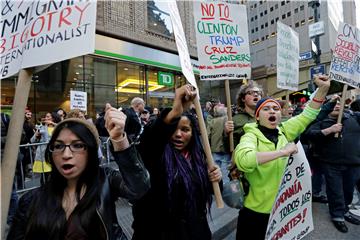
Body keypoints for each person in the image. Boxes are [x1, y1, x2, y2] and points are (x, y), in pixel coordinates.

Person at [7, 104, 150, 240]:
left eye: (77, 145)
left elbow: (139, 187)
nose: (66, 154)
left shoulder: (105, 180)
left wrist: (119, 139)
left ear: (91, 151)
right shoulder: (30, 201)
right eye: (58, 146)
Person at [233, 75, 330, 239]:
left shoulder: (284, 130)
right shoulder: (250, 136)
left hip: (283, 211)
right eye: (266, 109)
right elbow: (243, 161)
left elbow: (309, 114)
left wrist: (323, 89)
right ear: (257, 116)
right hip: (256, 212)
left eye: (276, 109)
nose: (272, 111)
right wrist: (282, 152)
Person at [132, 84, 222, 240]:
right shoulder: (155, 154)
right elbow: (150, 139)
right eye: (174, 129)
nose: (178, 135)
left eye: (185, 130)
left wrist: (216, 179)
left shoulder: (199, 158)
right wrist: (174, 113)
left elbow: (208, 191)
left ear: (193, 133)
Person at [304, 98, 360, 233]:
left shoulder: (354, 118)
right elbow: (308, 134)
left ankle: (345, 210)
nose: (337, 106)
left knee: (348, 189)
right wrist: (328, 130)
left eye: (339, 104)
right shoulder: (322, 121)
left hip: (353, 163)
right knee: (335, 190)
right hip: (331, 163)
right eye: (334, 105)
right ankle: (337, 216)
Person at [31, 112, 61, 184]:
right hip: (43, 155)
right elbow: (32, 140)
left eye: (48, 117)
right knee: (45, 176)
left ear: (53, 118)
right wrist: (36, 135)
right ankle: (44, 192)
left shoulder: (57, 127)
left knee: (55, 175)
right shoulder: (41, 127)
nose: (46, 118)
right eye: (46, 117)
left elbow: (64, 127)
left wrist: (53, 124)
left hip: (56, 155)